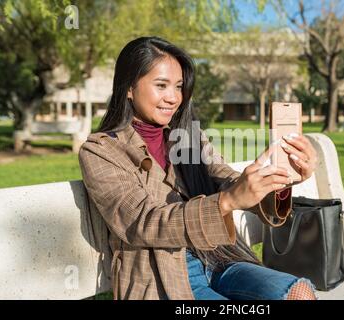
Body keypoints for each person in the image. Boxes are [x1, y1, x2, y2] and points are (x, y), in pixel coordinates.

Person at [78, 36, 318, 300]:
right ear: (129, 88)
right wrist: (225, 202)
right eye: (161, 85)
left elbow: (226, 180)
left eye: (179, 87)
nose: (173, 98)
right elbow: (141, 223)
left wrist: (281, 178)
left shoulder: (187, 136)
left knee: (301, 293)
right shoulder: (101, 151)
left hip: (220, 259)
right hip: (164, 275)